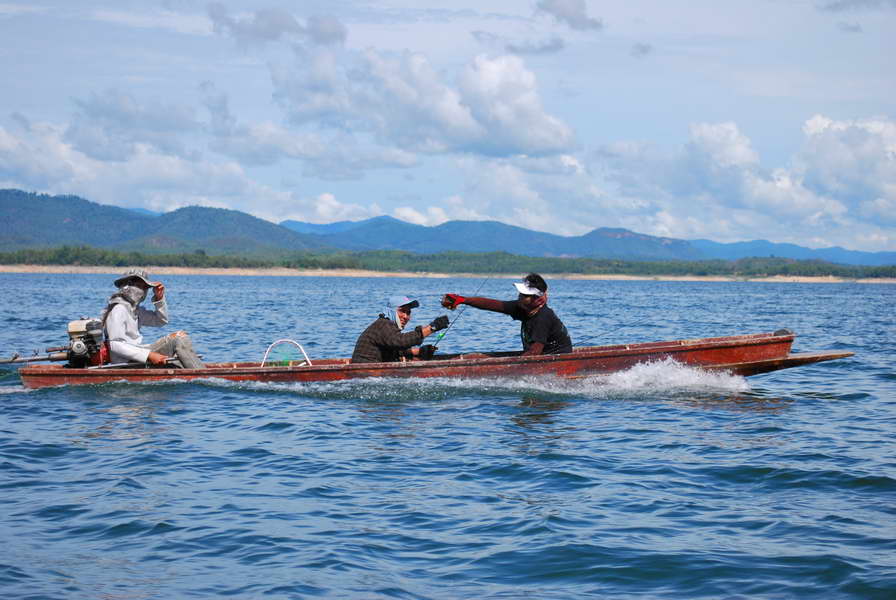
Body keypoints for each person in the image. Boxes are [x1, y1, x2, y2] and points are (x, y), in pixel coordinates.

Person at [442, 273, 572, 355]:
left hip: (555, 358)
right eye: (520, 293)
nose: (519, 297)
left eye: (525, 295)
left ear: (538, 300)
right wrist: (463, 300)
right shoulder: (523, 306)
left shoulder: (543, 317)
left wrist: (511, 367)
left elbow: (535, 351)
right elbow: (493, 305)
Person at [100, 268, 204, 369]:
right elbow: (115, 345)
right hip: (125, 361)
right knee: (178, 339)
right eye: (138, 286)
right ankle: (201, 374)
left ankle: (195, 369)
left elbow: (161, 320)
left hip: (138, 354)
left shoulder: (136, 310)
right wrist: (149, 355)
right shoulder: (119, 309)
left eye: (145, 287)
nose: (142, 290)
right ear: (126, 286)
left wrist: (159, 299)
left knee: (179, 336)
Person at [351, 295, 450, 364]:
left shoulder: (387, 326)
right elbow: (401, 341)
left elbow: (395, 349)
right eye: (402, 311)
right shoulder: (383, 325)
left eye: (408, 312)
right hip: (366, 375)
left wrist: (419, 351)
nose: (406, 316)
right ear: (391, 311)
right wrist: (433, 327)